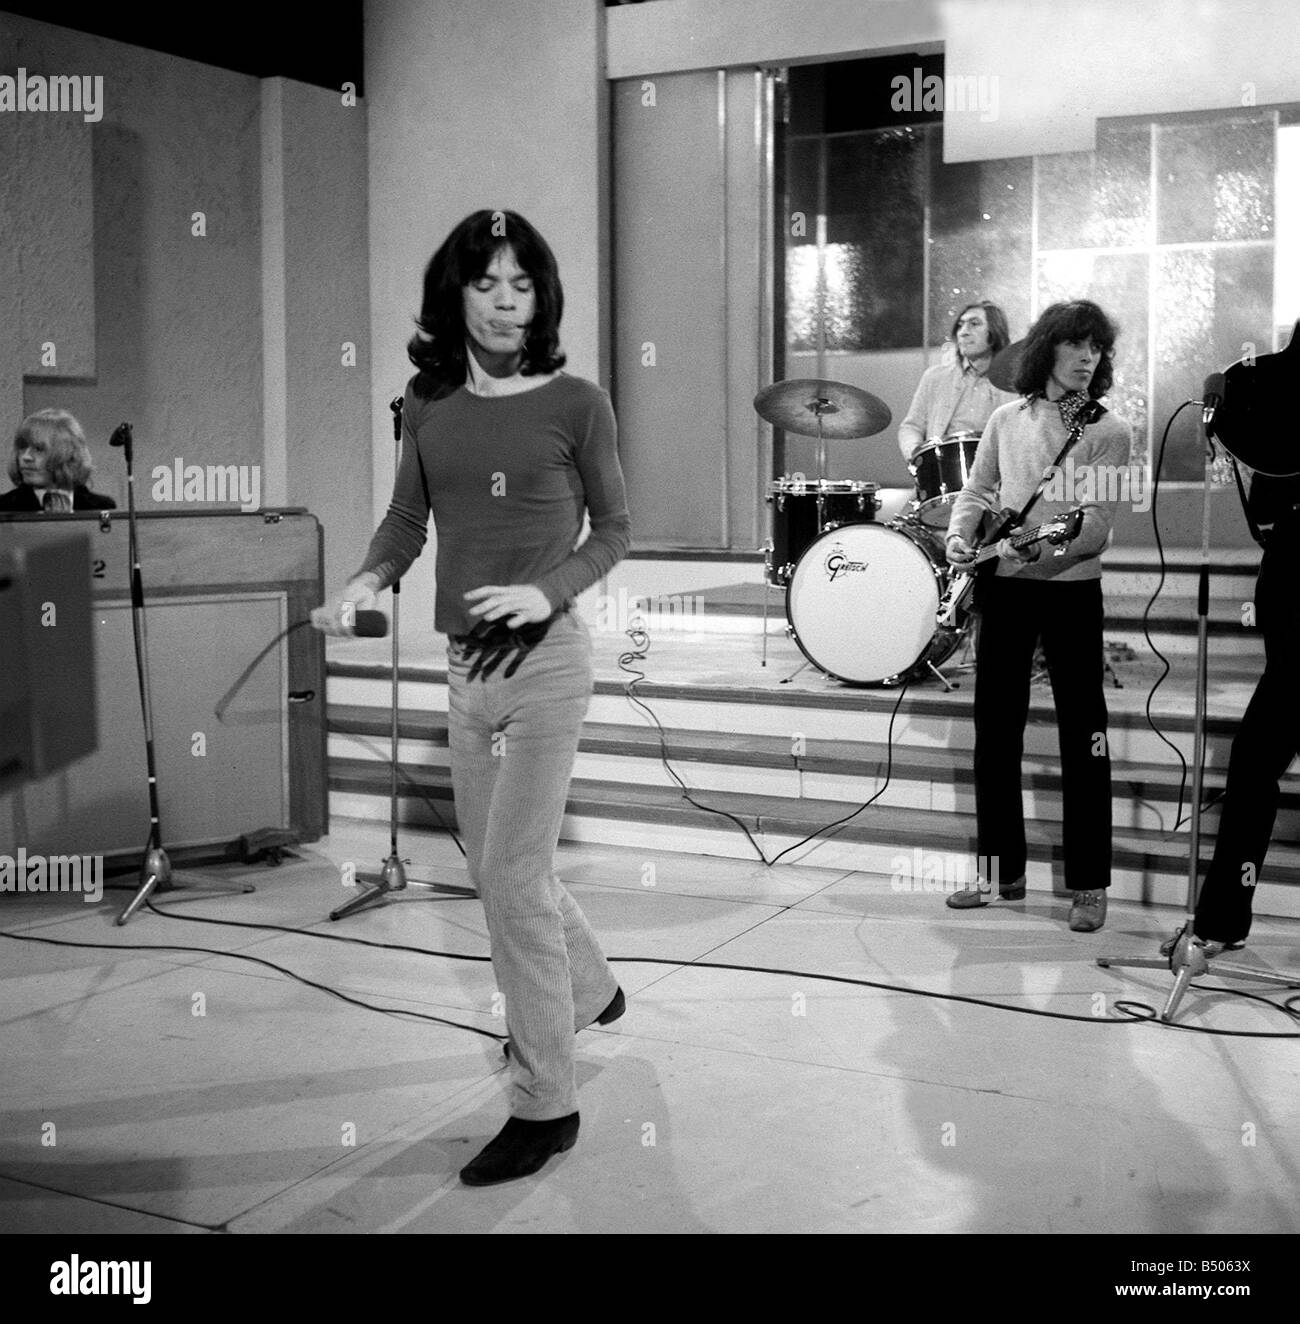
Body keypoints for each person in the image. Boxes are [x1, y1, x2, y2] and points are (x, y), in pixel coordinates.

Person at [312, 210, 631, 1186]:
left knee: (515, 880)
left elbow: (613, 529)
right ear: (454, 295)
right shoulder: (428, 401)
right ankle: (589, 986)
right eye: (485, 281)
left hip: (546, 666)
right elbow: (407, 518)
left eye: (520, 283)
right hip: (465, 673)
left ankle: (547, 1102)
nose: (503, 299)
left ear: (540, 298)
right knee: (503, 874)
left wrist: (546, 589)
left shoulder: (576, 402)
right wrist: (369, 579)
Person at [943, 300, 1132, 932]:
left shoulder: (1111, 430)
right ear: (1047, 349)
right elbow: (976, 491)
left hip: (1072, 592)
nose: (1088, 358)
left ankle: (1089, 884)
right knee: (995, 733)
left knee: (1087, 737)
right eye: (1076, 345)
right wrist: (961, 536)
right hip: (1006, 589)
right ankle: (1001, 872)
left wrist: (1032, 547)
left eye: (1097, 349)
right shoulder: (1005, 418)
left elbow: (1095, 529)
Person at [1160, 434, 1300, 969]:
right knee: (1250, 768)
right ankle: (1220, 921)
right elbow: (1264, 510)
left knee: (1252, 767)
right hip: (1288, 653)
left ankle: (1220, 920)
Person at [896, 301, 1018, 462]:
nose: (963, 332)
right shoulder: (935, 378)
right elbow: (911, 427)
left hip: (994, 476)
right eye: (961, 325)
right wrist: (916, 454)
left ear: (995, 332)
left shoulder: (1015, 383)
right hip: (943, 474)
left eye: (974, 324)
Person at [0, 409, 116, 512]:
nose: (26, 457)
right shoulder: (4, 506)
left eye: (39, 449)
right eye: (22, 447)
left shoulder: (102, 507)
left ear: (68, 455)